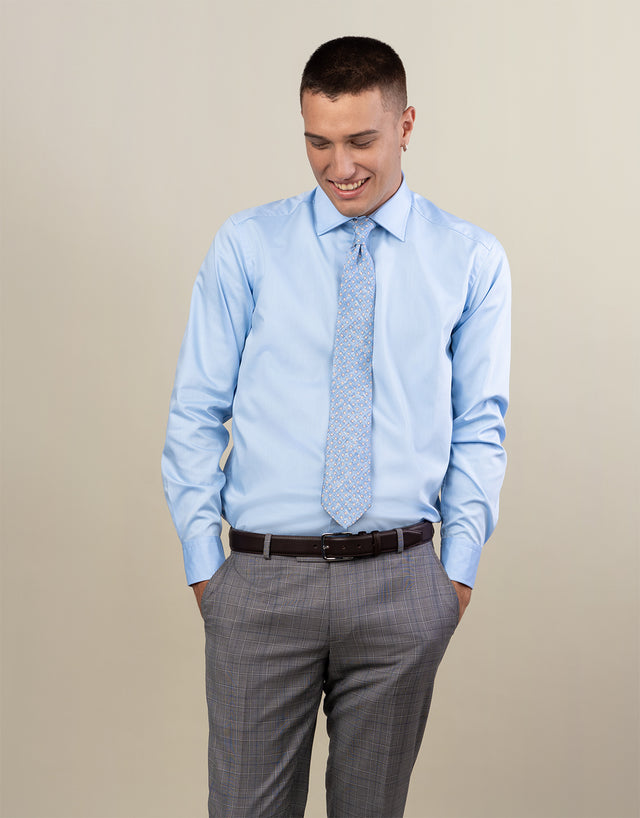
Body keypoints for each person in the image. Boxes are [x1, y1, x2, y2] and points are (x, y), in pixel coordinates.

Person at [162, 35, 510, 818]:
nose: (339, 166)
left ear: (406, 125)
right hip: (262, 583)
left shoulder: (471, 259)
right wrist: (205, 567)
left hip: (400, 585)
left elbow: (479, 425)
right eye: (318, 142)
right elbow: (195, 410)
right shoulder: (248, 245)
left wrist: (454, 576)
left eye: (360, 140)